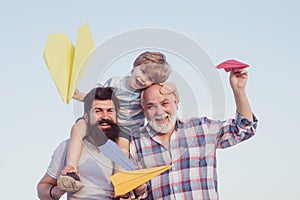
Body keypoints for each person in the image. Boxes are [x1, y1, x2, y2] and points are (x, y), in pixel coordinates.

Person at [130, 69, 258, 199]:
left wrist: (239, 90)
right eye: (151, 106)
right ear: (143, 110)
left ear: (176, 102)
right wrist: (138, 191)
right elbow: (133, 192)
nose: (160, 112)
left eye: (165, 103)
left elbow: (244, 129)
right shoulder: (135, 142)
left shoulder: (201, 128)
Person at [59, 51, 172, 191]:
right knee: (78, 127)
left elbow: (169, 92)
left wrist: (172, 87)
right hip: (108, 123)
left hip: (126, 130)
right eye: (142, 72)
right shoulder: (115, 82)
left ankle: (120, 185)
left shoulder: (145, 92)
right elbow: (99, 99)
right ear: (135, 65)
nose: (143, 79)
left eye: (149, 79)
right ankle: (71, 169)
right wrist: (80, 96)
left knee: (123, 150)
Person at [37, 87, 146, 200]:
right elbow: (42, 188)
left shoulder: (131, 148)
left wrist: (138, 190)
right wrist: (58, 191)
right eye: (97, 111)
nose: (105, 116)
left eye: (110, 111)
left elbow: (141, 192)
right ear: (86, 117)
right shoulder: (67, 147)